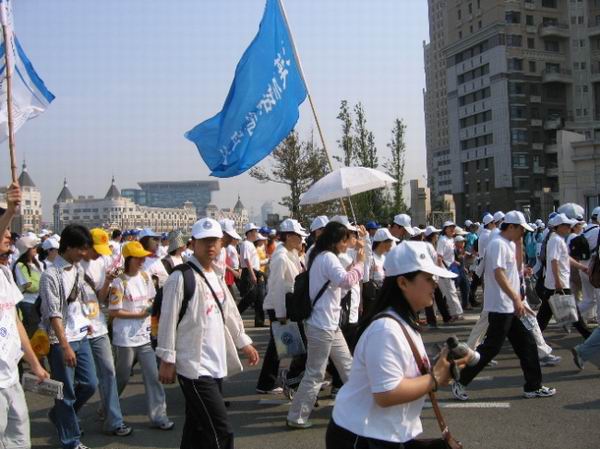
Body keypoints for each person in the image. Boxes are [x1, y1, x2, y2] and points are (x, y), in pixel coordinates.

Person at [326, 241, 466, 449]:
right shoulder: (386, 329)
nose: (434, 284)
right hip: (362, 436)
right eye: (428, 278)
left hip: (385, 433)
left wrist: (440, 370)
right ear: (402, 283)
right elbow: (386, 393)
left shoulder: (404, 322)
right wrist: (434, 378)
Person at [157, 218, 258, 449]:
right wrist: (167, 359)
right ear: (193, 244)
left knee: (196, 428)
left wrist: (243, 342)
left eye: (214, 240)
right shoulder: (180, 277)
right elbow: (168, 320)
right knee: (221, 432)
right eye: (204, 241)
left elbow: (229, 313)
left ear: (221, 243)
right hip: (194, 366)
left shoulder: (217, 275)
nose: (210, 245)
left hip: (216, 363)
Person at [452, 211, 556, 401]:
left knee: (528, 345)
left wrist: (518, 299)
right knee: (491, 348)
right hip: (500, 307)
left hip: (509, 306)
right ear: (512, 226)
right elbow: (498, 273)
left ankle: (533, 386)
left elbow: (512, 273)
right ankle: (460, 380)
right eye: (521, 230)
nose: (523, 233)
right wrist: (516, 299)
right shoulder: (498, 244)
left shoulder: (508, 243)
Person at [286, 220, 365, 429]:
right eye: (345, 240)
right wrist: (359, 264)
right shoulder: (328, 257)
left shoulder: (320, 256)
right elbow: (346, 281)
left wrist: (355, 265)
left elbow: (341, 284)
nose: (347, 244)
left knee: (347, 365)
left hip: (327, 323)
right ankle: (297, 416)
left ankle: (362, 406)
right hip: (322, 324)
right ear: (335, 240)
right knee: (315, 373)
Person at [40, 224, 99, 449]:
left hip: (80, 334)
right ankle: (71, 441)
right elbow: (54, 313)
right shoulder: (50, 275)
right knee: (66, 392)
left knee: (90, 384)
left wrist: (86, 322)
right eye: (81, 249)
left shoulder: (77, 270)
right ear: (68, 247)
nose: (84, 253)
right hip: (61, 339)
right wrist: (64, 346)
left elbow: (79, 301)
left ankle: (61, 416)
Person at [0, 184, 50, 449]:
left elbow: (15, 322)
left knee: (20, 440)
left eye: (9, 229)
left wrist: (34, 363)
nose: (9, 235)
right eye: (5, 230)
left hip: (11, 375)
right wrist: (9, 211)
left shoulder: (4, 273)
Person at [109, 241, 174, 430]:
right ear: (128, 259)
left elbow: (151, 300)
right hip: (125, 339)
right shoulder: (119, 282)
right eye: (138, 258)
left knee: (153, 376)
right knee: (122, 377)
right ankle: (108, 407)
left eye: (143, 258)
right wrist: (138, 315)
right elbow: (114, 311)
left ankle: (159, 416)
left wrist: (151, 316)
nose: (142, 261)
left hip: (144, 337)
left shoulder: (145, 277)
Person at [81, 228, 132, 437]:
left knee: (109, 372)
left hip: (98, 325)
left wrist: (109, 282)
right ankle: (65, 415)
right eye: (96, 250)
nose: (99, 254)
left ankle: (114, 421)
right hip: (76, 330)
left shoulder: (101, 262)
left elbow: (101, 299)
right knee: (84, 381)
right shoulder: (72, 264)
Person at [256, 219, 306, 394]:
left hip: (285, 304)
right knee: (278, 345)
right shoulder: (280, 257)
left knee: (277, 346)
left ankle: (266, 383)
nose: (301, 240)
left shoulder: (290, 253)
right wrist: (281, 313)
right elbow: (276, 287)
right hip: (280, 305)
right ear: (289, 236)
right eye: (299, 236)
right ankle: (267, 383)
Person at [536, 213, 591, 339]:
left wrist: (582, 267)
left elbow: (565, 258)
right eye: (566, 225)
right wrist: (558, 281)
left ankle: (533, 338)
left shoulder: (557, 239)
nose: (568, 227)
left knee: (543, 316)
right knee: (574, 314)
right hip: (558, 283)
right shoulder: (556, 240)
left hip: (555, 284)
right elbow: (554, 261)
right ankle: (589, 337)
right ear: (558, 226)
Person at [13, 234, 43, 337]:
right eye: (33, 247)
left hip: (38, 300)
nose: (35, 248)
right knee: (32, 328)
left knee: (37, 327)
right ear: (26, 250)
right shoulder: (20, 265)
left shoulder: (37, 263)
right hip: (27, 302)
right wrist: (42, 285)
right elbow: (28, 285)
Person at [363, 227, 397, 316]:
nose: (392, 244)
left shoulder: (384, 259)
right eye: (390, 241)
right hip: (371, 298)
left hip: (382, 296)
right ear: (382, 243)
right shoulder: (371, 257)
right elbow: (364, 279)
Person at [237, 223, 266, 327]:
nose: (256, 234)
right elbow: (246, 259)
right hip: (250, 272)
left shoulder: (251, 244)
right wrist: (252, 274)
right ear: (249, 233)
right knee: (250, 296)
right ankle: (236, 314)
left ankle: (259, 321)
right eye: (255, 232)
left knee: (260, 297)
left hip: (256, 272)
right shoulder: (245, 244)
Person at [436, 221, 463, 320]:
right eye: (450, 227)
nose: (452, 229)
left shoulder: (451, 239)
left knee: (448, 292)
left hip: (450, 268)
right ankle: (457, 313)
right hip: (444, 269)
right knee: (451, 291)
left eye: (453, 227)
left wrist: (454, 262)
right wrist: (440, 271)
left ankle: (454, 313)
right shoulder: (442, 240)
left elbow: (449, 256)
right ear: (445, 229)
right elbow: (439, 256)